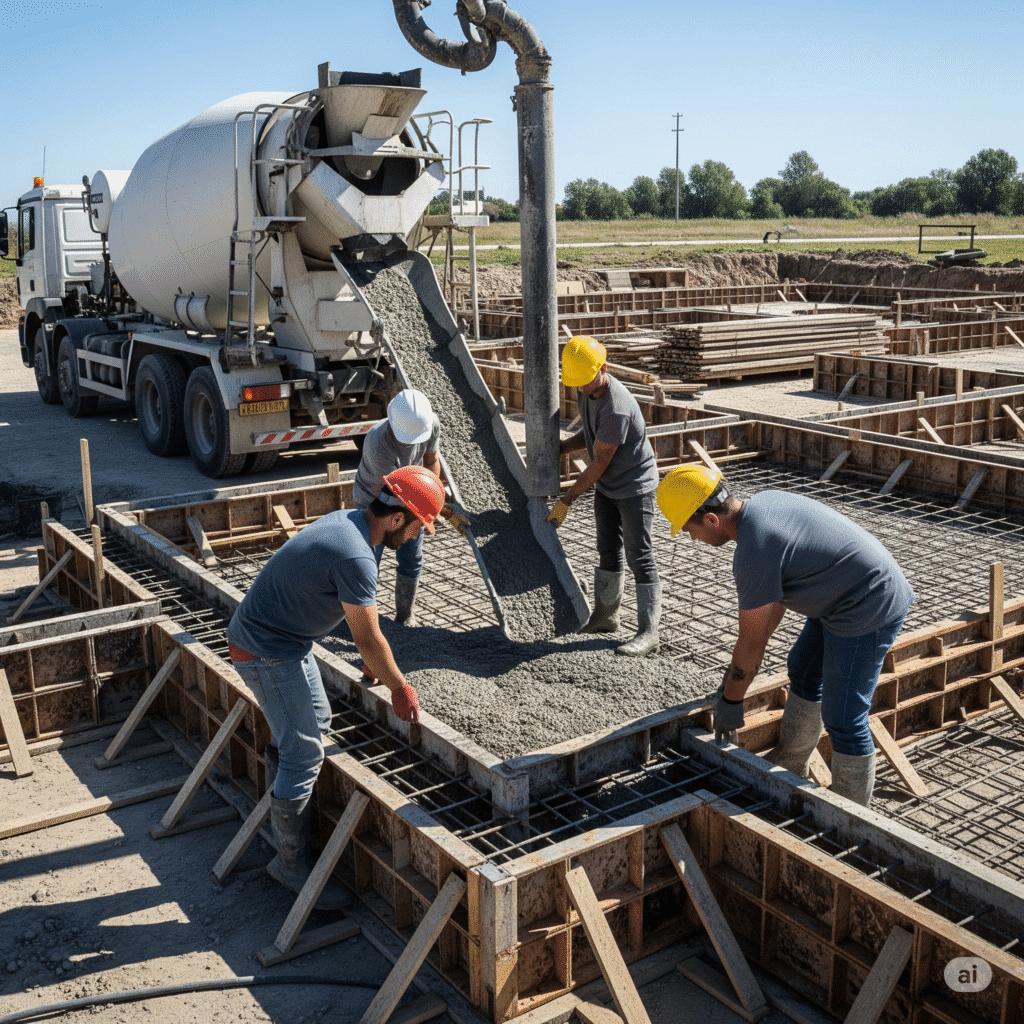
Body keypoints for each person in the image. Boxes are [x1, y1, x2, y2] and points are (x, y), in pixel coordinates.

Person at [226, 465, 445, 909]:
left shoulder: (354, 525)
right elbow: (368, 638)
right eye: (421, 526)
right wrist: (398, 686)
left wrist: (373, 666)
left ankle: (280, 797)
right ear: (398, 518)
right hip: (267, 650)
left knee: (317, 723)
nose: (420, 535)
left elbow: (362, 631)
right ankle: (289, 865)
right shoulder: (357, 555)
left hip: (286, 639)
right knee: (306, 754)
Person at [656, 464, 915, 807]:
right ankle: (791, 763)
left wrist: (733, 700)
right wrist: (736, 679)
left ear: (711, 520)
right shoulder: (764, 505)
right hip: (842, 593)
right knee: (804, 668)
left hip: (868, 603)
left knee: (844, 718)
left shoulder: (753, 550)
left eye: (689, 529)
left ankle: (854, 815)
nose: (692, 538)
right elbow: (769, 607)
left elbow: (752, 642)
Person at [546, 335, 661, 657]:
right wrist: (563, 448)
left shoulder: (617, 407)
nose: (580, 388)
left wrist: (566, 500)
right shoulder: (589, 388)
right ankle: (606, 617)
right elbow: (592, 434)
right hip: (608, 486)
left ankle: (649, 632)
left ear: (604, 368)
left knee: (640, 556)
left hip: (634, 488)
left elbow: (599, 461)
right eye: (577, 383)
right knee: (607, 550)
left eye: (585, 382)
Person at [352, 388, 469, 631]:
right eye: (405, 437)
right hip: (376, 499)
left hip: (413, 491)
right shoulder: (377, 443)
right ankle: (360, 619)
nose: (410, 443)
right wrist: (443, 512)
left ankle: (405, 614)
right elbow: (397, 494)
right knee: (366, 561)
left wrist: (435, 499)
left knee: (411, 556)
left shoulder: (429, 423)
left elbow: (430, 461)